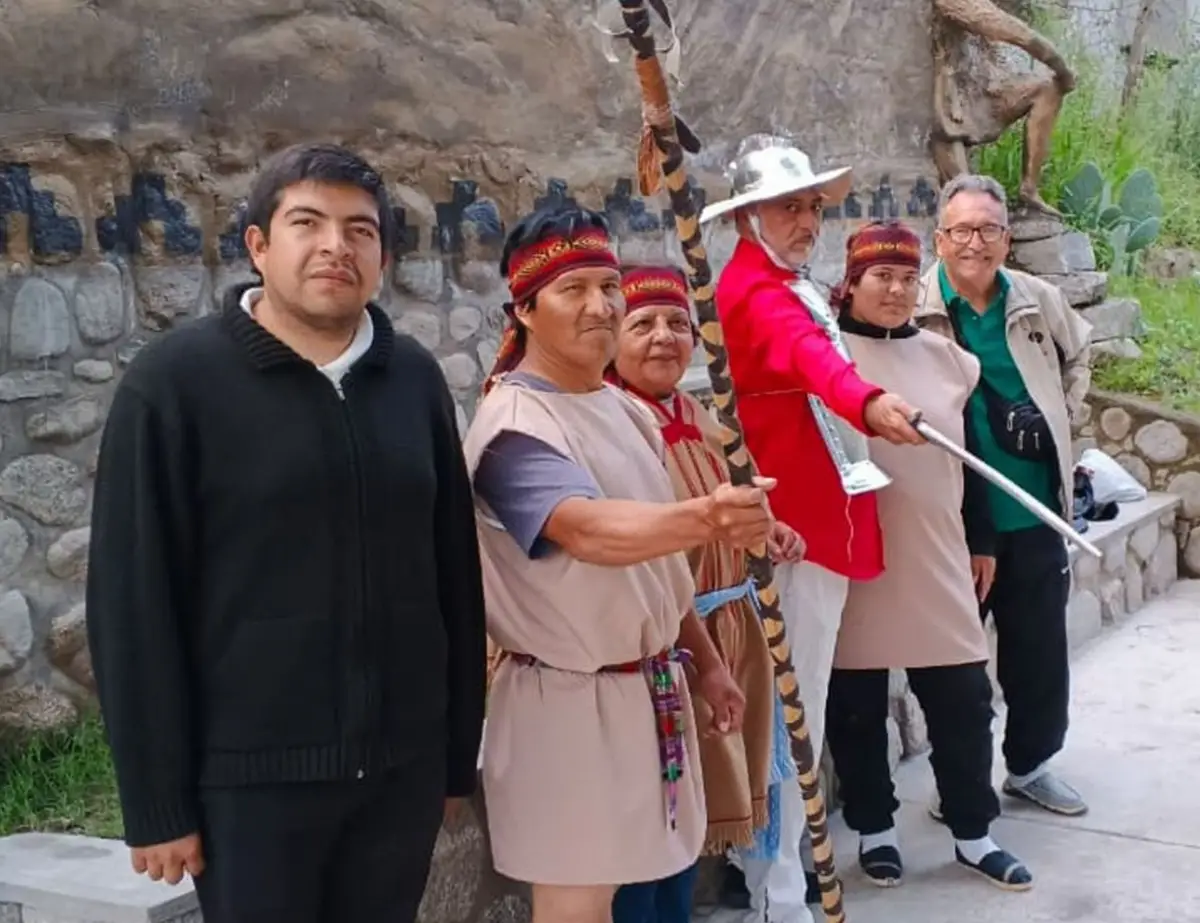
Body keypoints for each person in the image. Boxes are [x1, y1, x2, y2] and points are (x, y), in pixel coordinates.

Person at [85, 143, 488, 923]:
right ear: (259, 246)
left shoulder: (411, 380)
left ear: (380, 255)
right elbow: (134, 599)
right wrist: (157, 798)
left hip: (398, 778)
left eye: (360, 230)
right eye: (308, 222)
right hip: (248, 785)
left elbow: (453, 575)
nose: (337, 245)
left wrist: (452, 756)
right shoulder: (173, 385)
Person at [462, 204, 775, 923]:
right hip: (567, 706)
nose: (601, 305)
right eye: (574, 290)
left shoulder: (621, 407)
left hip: (648, 690)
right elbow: (587, 531)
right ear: (525, 308)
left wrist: (705, 660)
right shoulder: (513, 428)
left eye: (609, 285)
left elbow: (653, 570)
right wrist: (708, 515)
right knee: (575, 908)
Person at [698, 133, 924, 923]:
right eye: (788, 207)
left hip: (816, 521)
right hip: (786, 530)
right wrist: (868, 402)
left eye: (811, 205)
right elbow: (813, 363)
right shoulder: (756, 293)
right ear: (745, 217)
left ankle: (778, 881)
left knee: (802, 709)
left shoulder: (785, 283)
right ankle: (777, 893)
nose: (806, 220)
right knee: (790, 716)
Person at [823, 220, 1033, 891]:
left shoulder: (949, 359)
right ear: (852, 281)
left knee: (964, 700)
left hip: (938, 549)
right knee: (855, 706)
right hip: (854, 551)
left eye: (908, 278)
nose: (895, 289)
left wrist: (983, 539)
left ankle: (974, 831)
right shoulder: (824, 354)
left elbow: (972, 460)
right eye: (880, 276)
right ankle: (876, 831)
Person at [607, 263, 807, 923]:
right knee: (653, 820)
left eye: (677, 324)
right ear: (611, 336)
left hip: (726, 633)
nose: (664, 337)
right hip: (662, 649)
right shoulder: (611, 423)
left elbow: (728, 502)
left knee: (690, 814)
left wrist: (768, 530)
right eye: (642, 323)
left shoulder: (695, 411)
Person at [915, 173, 1093, 816]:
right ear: (939, 239)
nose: (975, 243)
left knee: (1039, 652)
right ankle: (962, 785)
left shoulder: (1037, 299)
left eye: (988, 229)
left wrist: (1059, 417)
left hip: (1036, 507)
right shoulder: (915, 310)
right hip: (955, 521)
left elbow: (1081, 355)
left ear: (1006, 238)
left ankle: (1031, 765)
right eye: (961, 230)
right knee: (956, 670)